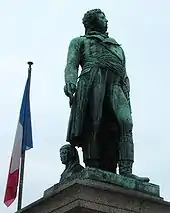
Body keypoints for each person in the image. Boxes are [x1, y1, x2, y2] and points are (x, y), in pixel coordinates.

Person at [64, 9, 149, 182]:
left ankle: (126, 171)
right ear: (91, 21)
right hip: (92, 81)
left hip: (115, 85)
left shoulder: (117, 47)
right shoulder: (79, 41)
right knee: (94, 122)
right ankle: (93, 165)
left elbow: (124, 75)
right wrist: (70, 81)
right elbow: (71, 65)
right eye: (102, 17)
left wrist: (127, 93)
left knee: (125, 122)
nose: (106, 20)